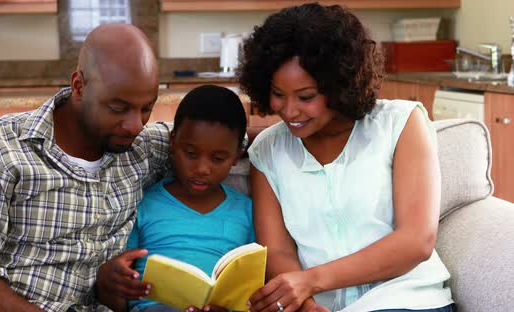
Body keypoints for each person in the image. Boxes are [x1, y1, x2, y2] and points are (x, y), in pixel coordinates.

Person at [0, 24, 169, 312]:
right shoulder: (0, 145)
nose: (135, 125)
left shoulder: (144, 148)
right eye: (118, 108)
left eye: (147, 108)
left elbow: (220, 136)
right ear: (79, 86)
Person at [238, 3, 455, 312]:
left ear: (339, 85)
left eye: (306, 97)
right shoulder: (267, 151)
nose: (289, 110)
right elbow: (279, 253)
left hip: (407, 299)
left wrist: (311, 281)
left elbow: (416, 241)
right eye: (278, 94)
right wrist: (307, 305)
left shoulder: (401, 123)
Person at [124, 85, 254, 312]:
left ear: (236, 156)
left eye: (218, 158)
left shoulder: (246, 210)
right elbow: (124, 275)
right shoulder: (144, 202)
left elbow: (250, 285)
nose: (202, 169)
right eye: (191, 154)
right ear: (173, 142)